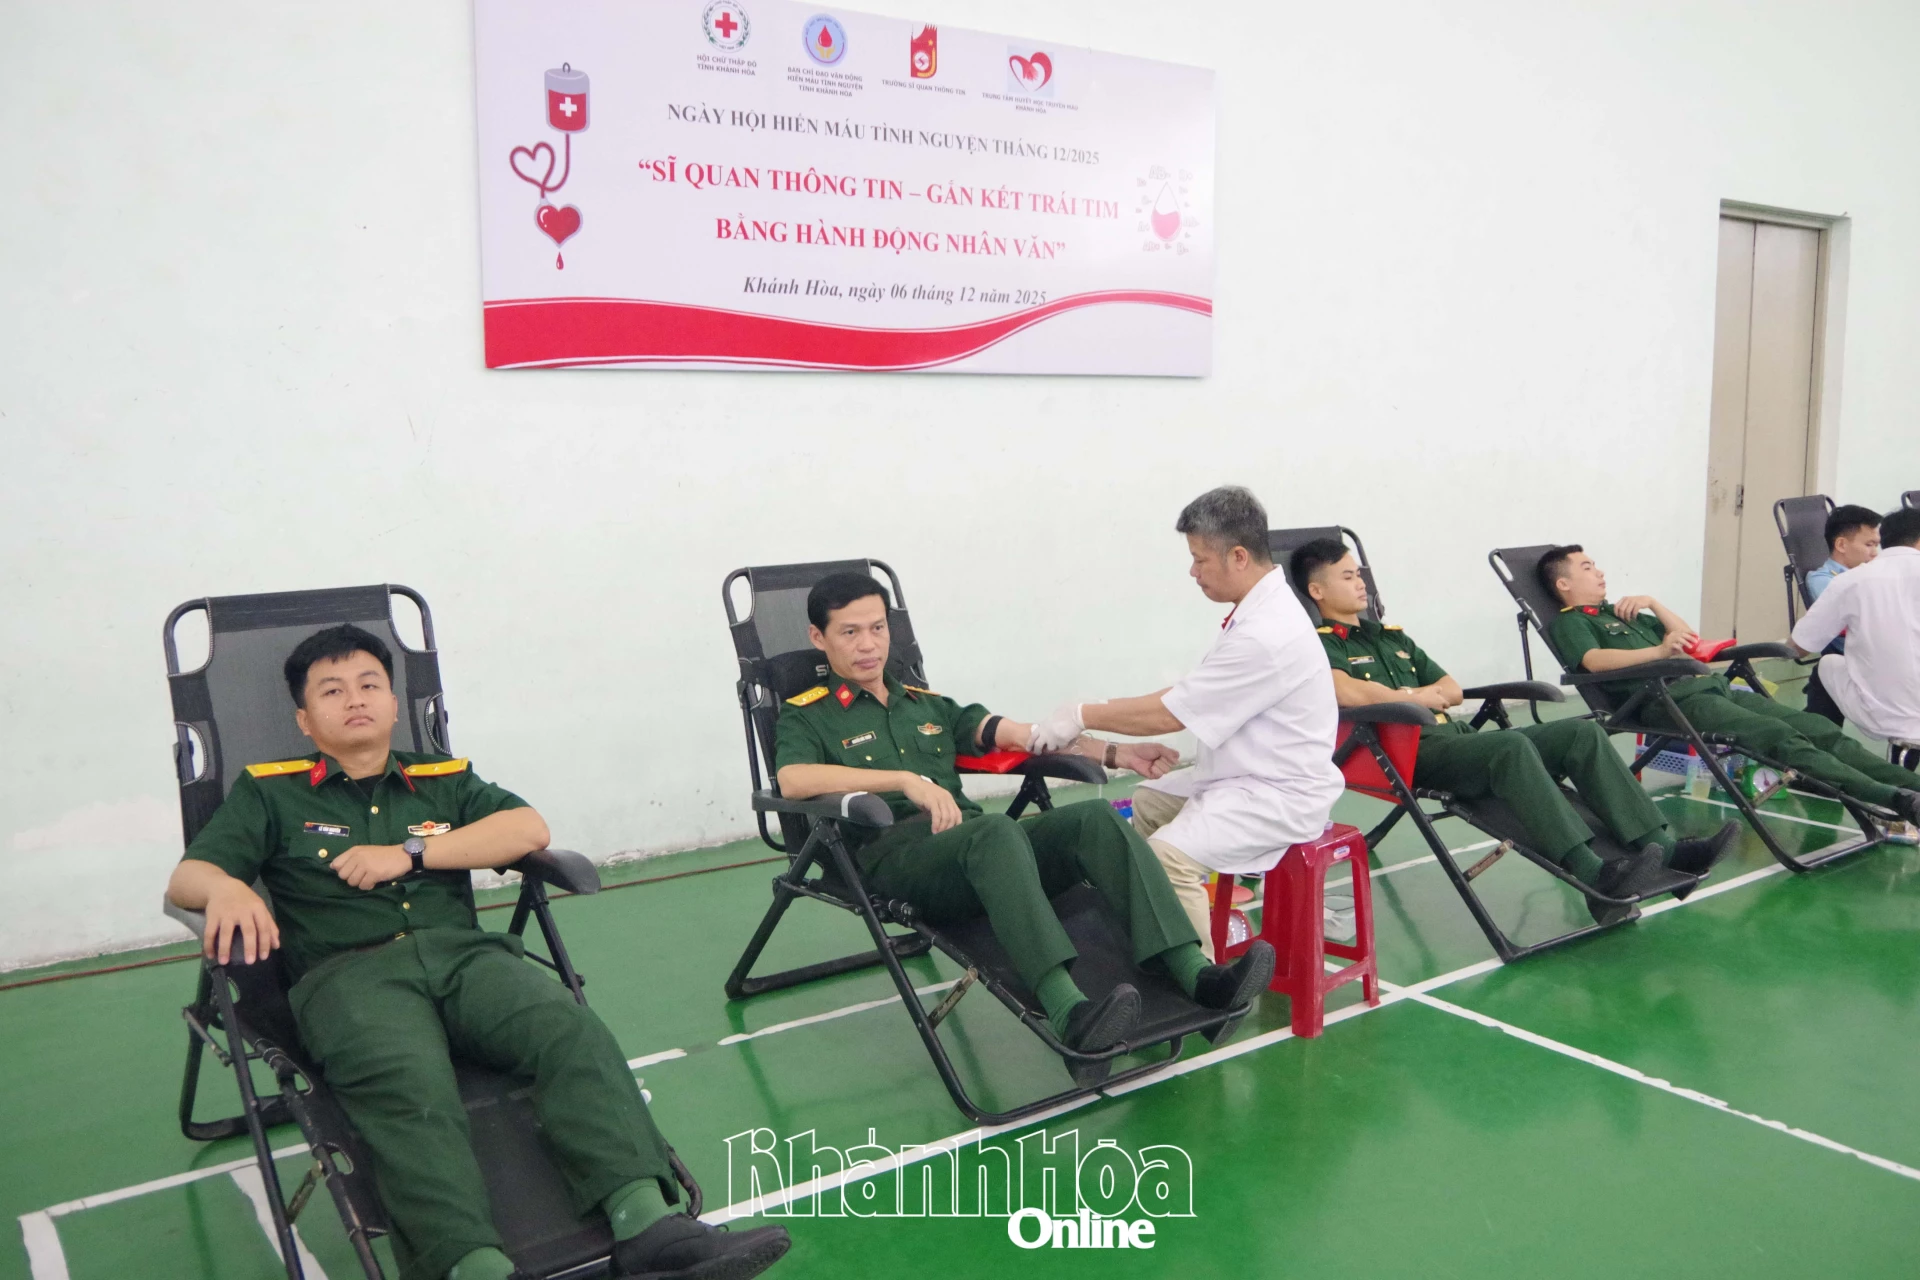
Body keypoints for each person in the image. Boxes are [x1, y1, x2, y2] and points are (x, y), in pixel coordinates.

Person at [167, 625, 791, 1280]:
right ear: (304, 717)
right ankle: (472, 1266)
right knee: (410, 1084)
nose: (356, 699)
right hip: (350, 976)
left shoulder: (443, 780)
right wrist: (228, 889)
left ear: (393, 699)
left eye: (370, 684)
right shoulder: (270, 792)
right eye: (332, 690)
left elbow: (527, 829)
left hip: (465, 960)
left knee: (567, 1030)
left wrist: (410, 853)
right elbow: (188, 879)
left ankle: (647, 1223)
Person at [772, 572, 1275, 1064]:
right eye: (850, 632)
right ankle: (1068, 1011)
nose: (868, 645)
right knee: (995, 829)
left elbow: (1026, 735)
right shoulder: (807, 714)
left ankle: (1199, 976)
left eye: (878, 628)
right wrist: (904, 781)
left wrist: (1116, 753)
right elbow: (792, 780)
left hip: (976, 850)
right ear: (819, 637)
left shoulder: (927, 706)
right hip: (896, 860)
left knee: (1093, 819)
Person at [1290, 539, 1737, 924]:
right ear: (1317, 590)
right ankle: (1591, 872)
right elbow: (1348, 693)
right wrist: (1419, 697)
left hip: (1458, 740)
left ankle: (1663, 847)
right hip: (1408, 754)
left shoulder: (1391, 637)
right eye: (1348, 576)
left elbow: (1450, 688)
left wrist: (1414, 693)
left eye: (1359, 574)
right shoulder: (1315, 644)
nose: (1361, 582)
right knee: (1511, 745)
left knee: (1579, 735)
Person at [1028, 487, 1344, 955]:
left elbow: (1170, 712)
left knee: (1167, 857)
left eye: (1200, 560)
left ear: (1238, 556)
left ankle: (1202, 983)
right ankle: (1143, 936)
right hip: (1247, 778)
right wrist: (1106, 746)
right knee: (1148, 803)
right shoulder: (1257, 613)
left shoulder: (1267, 633)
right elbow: (1187, 697)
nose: (1193, 572)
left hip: (1279, 794)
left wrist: (1080, 715)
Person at [1537, 546, 1920, 824]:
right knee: (1778, 736)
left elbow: (1686, 638)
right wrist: (1657, 652)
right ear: (1564, 583)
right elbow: (1592, 662)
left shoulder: (1622, 612)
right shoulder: (1571, 622)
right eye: (1588, 567)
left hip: (1708, 689)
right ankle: (1895, 799)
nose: (1600, 571)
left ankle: (1910, 786)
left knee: (1815, 728)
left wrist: (1654, 603)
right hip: (1665, 699)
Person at [1791, 506, 1920, 765]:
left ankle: (1817, 760)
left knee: (1826, 665)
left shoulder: (1852, 580)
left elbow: (1799, 647)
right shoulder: (1831, 578)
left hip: (1891, 715)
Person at [1802, 505, 1881, 724]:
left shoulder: (1876, 575)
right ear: (1841, 544)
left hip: (1881, 651)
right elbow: (1845, 619)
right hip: (1859, 654)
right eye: (1869, 545)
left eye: (1877, 545)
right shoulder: (1822, 579)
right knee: (1824, 672)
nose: (1875, 553)